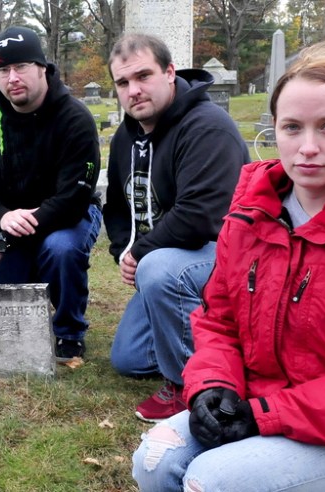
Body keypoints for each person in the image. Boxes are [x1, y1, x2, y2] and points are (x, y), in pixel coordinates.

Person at [131, 44, 325, 491]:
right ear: (274, 129)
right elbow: (218, 320)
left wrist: (265, 416)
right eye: (292, 127)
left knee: (211, 481)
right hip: (256, 401)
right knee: (154, 461)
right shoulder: (249, 215)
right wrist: (211, 387)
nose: (308, 148)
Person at [103, 33, 248, 422]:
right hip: (169, 259)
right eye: (122, 83)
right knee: (129, 360)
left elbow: (200, 215)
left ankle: (195, 388)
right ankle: (224, 346)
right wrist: (123, 250)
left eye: (143, 76)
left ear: (169, 72)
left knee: (160, 269)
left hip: (228, 260)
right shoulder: (126, 137)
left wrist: (140, 254)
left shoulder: (207, 127)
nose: (134, 90)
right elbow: (115, 206)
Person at [0, 26, 102, 360]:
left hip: (70, 216)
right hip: (11, 219)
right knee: (8, 299)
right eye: (3, 70)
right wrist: (1, 217)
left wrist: (5, 239)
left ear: (43, 68)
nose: (12, 78)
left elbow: (72, 199)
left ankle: (69, 331)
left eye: (21, 67)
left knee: (59, 249)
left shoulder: (74, 118)